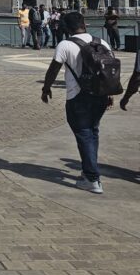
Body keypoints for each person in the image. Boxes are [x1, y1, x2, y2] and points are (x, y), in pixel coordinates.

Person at [41, 10, 117, 193]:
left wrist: (46, 89)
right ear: (84, 23)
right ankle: (88, 170)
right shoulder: (101, 42)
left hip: (77, 96)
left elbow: (53, 70)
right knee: (93, 132)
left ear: (66, 27)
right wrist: (109, 93)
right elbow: (109, 71)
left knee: (84, 134)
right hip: (100, 95)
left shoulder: (65, 45)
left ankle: (92, 178)